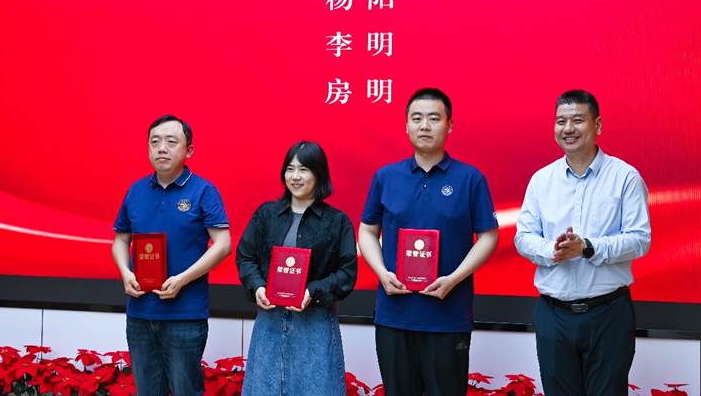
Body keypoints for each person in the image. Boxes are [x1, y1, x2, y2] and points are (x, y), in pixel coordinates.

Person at [358, 87, 499, 396]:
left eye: (434, 118)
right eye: (417, 118)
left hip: (448, 315)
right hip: (395, 314)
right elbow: (367, 231)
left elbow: (488, 236)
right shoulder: (386, 177)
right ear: (406, 125)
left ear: (449, 125)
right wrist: (381, 273)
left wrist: (454, 278)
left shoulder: (470, 179)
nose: (424, 126)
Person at [514, 90, 651, 396]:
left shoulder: (625, 177)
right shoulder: (541, 180)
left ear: (597, 125)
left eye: (577, 120)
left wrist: (587, 247)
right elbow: (523, 237)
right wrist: (552, 250)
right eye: (560, 121)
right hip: (553, 314)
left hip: (608, 314)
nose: (568, 129)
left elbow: (639, 239)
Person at [111, 114, 231, 396]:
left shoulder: (204, 191)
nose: (161, 148)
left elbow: (223, 244)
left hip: (184, 314)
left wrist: (182, 280)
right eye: (155, 142)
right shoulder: (136, 190)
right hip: (140, 313)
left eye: (171, 142)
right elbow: (120, 240)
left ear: (189, 150)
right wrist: (125, 273)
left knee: (186, 391)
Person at [236, 141, 357, 396]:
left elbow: (347, 273)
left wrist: (313, 291)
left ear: (319, 174)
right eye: (290, 169)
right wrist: (257, 286)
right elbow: (245, 257)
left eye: (303, 169)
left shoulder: (337, 222)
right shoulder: (266, 214)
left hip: (315, 323)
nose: (295, 176)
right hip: (269, 321)